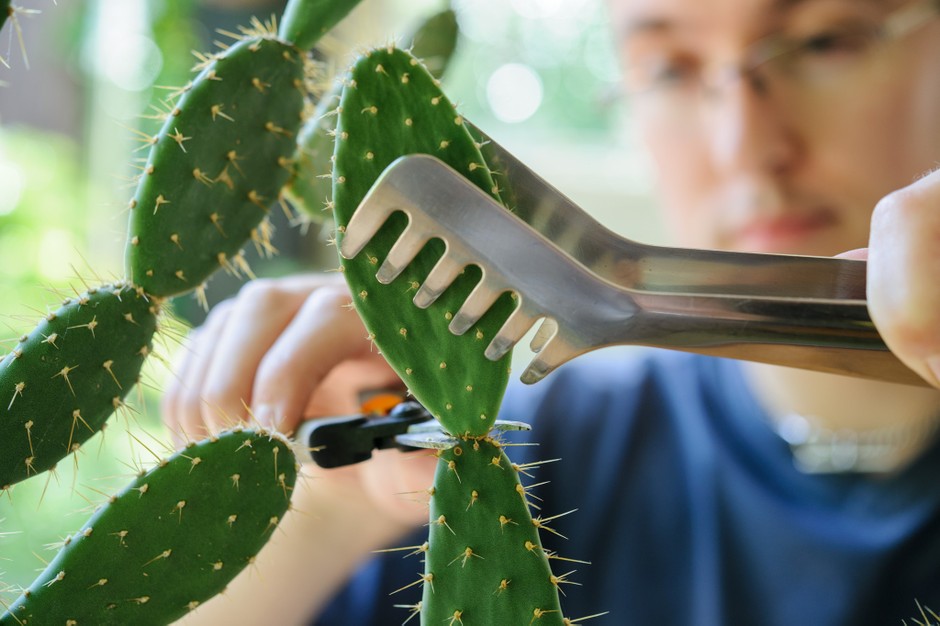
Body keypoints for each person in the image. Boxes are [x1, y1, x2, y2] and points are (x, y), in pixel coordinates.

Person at [168, 0, 940, 623]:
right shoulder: (517, 466)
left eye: (826, 41)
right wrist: (327, 515)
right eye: (670, 68)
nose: (744, 144)